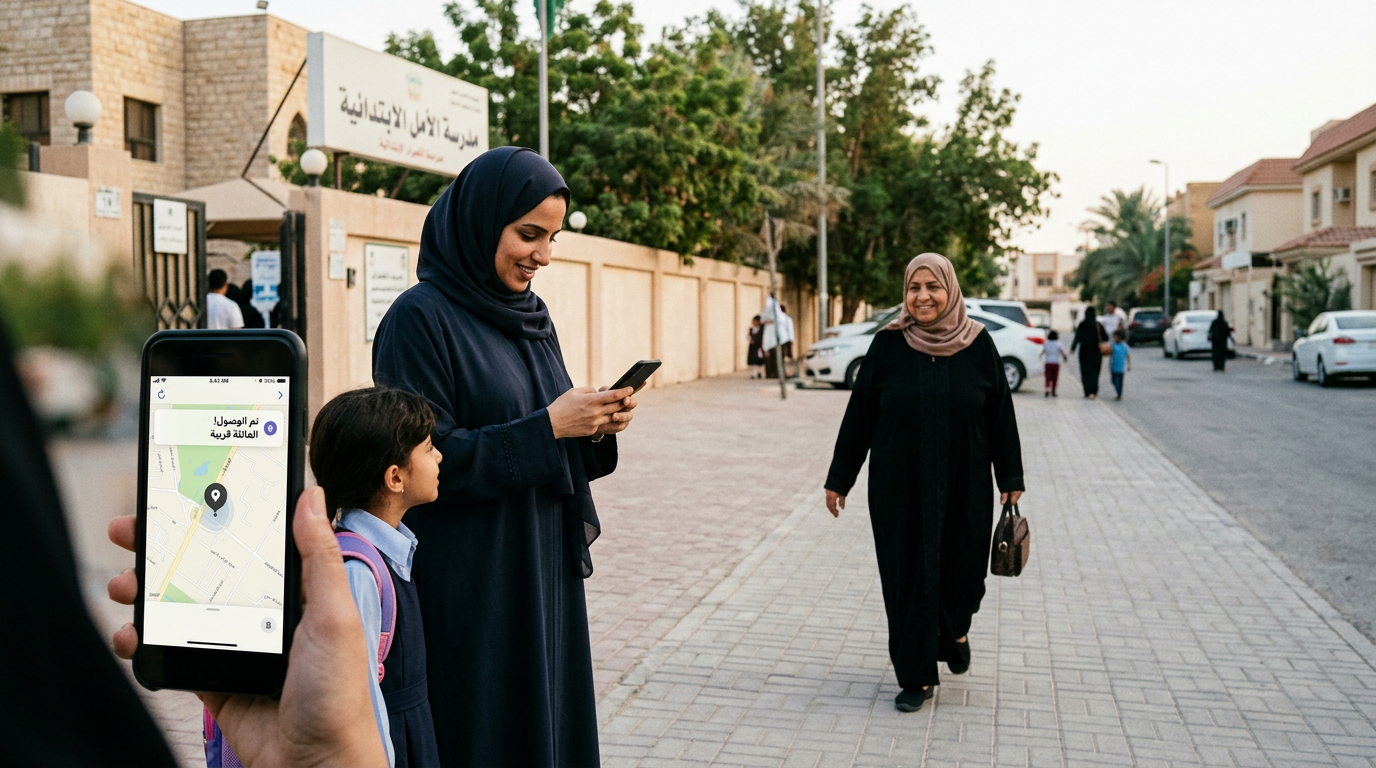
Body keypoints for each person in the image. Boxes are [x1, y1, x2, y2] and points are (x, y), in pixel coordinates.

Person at [371, 146, 639, 767]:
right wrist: (549, 429)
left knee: (543, 719)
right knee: (486, 725)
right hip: (472, 575)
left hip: (539, 562)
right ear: (480, 222)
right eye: (528, 234)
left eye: (552, 237)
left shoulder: (529, 316)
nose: (543, 255)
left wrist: (595, 424)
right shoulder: (419, 320)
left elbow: (551, 425)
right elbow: (417, 461)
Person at [823, 253, 1024, 714]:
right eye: (915, 287)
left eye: (933, 286)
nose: (923, 296)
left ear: (950, 290)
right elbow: (859, 418)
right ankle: (916, 676)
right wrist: (840, 479)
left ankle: (955, 630)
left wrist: (1010, 476)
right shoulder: (887, 346)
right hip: (899, 486)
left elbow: (1000, 415)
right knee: (909, 579)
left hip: (966, 481)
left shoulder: (979, 345)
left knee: (964, 574)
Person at [310, 387, 444, 768]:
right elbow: (362, 698)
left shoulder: (390, 552)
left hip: (412, 733)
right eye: (429, 448)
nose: (439, 457)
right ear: (395, 478)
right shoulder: (359, 573)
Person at [1071, 305, 1108, 399]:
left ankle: (1087, 392)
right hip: (1096, 353)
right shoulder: (1098, 325)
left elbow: (1077, 337)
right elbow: (1106, 337)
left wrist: (1073, 348)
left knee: (1085, 372)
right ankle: (1093, 392)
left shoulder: (1082, 324)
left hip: (1084, 353)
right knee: (1095, 373)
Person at [1041, 329, 1064, 397]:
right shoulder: (1058, 344)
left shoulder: (1046, 343)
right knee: (1055, 378)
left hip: (1048, 362)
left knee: (1048, 377)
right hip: (1056, 363)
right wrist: (1065, 357)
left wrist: (1040, 355)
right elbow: (1062, 352)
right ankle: (1053, 391)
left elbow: (1043, 351)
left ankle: (1047, 389)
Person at [1109, 329, 1131, 400]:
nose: (1114, 339)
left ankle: (1119, 394)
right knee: (1113, 381)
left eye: (1116, 337)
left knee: (1120, 382)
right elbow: (1110, 353)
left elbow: (1128, 356)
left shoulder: (1124, 346)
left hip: (1121, 367)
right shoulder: (1113, 345)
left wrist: (1129, 365)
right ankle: (1117, 391)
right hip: (1113, 366)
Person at [778, 302, 796, 376]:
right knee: (785, 357)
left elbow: (790, 329)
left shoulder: (786, 319)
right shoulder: (783, 319)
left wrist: (791, 339)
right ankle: (786, 372)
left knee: (786, 357)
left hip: (784, 340)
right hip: (784, 340)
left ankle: (788, 372)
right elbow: (790, 330)